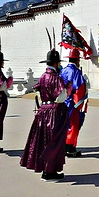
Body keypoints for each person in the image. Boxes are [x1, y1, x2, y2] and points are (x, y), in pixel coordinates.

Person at [20, 48, 69, 181]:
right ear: (55, 63)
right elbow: (61, 96)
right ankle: (50, 171)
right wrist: (68, 89)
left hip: (43, 110)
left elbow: (38, 90)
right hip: (54, 111)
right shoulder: (56, 78)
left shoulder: (42, 77)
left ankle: (45, 169)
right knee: (54, 141)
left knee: (44, 140)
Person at [60, 48, 88, 157]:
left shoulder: (63, 71)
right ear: (77, 60)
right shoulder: (76, 72)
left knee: (64, 125)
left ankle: (64, 146)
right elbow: (79, 89)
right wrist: (79, 105)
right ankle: (70, 148)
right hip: (72, 103)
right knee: (73, 125)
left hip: (63, 101)